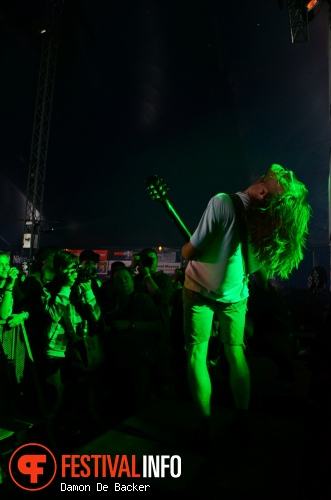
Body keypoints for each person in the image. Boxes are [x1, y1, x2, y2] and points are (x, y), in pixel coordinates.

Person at [181, 164, 311, 446]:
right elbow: (253, 267)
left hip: (198, 291)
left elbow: (189, 250)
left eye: (264, 178)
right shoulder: (263, 225)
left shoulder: (222, 202)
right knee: (235, 354)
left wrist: (190, 250)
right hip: (234, 296)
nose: (260, 176)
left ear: (262, 190)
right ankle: (242, 421)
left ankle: (205, 429)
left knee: (196, 355)